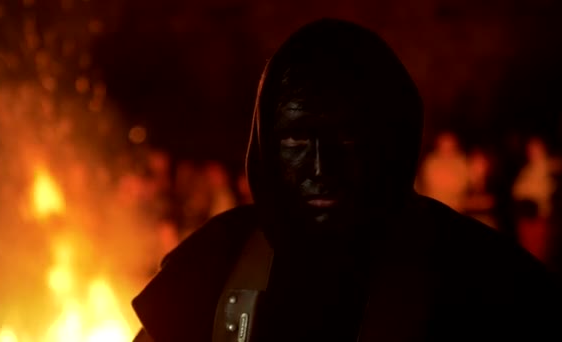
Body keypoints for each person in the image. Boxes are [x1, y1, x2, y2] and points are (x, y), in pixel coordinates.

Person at [130, 19, 562, 342]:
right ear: (264, 143)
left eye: (348, 137)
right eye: (297, 138)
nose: (321, 166)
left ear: (391, 140)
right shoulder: (214, 265)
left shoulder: (484, 280)